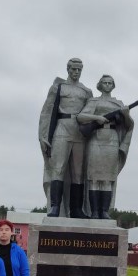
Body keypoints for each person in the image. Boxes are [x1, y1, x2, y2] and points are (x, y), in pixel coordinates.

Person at [38, 57, 93, 218]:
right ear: (68, 69)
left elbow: (92, 111)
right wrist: (43, 135)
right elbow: (47, 112)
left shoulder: (86, 91)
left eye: (79, 69)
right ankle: (55, 206)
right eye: (73, 69)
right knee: (58, 168)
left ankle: (76, 209)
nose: (76, 72)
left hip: (79, 131)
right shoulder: (58, 87)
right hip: (61, 127)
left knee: (78, 172)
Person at [76, 74, 134, 219]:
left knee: (108, 178)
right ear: (100, 85)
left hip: (112, 139)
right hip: (96, 138)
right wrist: (97, 118)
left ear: (113, 86)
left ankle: (104, 211)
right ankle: (94, 211)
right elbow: (80, 117)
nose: (107, 85)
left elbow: (128, 124)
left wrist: (126, 114)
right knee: (94, 177)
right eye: (105, 82)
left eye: (110, 83)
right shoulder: (94, 101)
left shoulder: (119, 103)